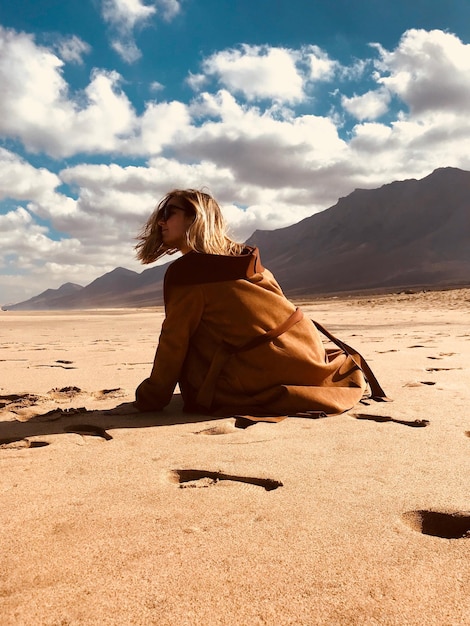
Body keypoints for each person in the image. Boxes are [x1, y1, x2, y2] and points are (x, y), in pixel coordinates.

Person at [133, 189, 387, 419]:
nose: (160, 221)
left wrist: (152, 396)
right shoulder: (246, 258)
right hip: (308, 358)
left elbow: (174, 342)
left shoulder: (188, 273)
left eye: (169, 213)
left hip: (262, 373)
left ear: (195, 218)